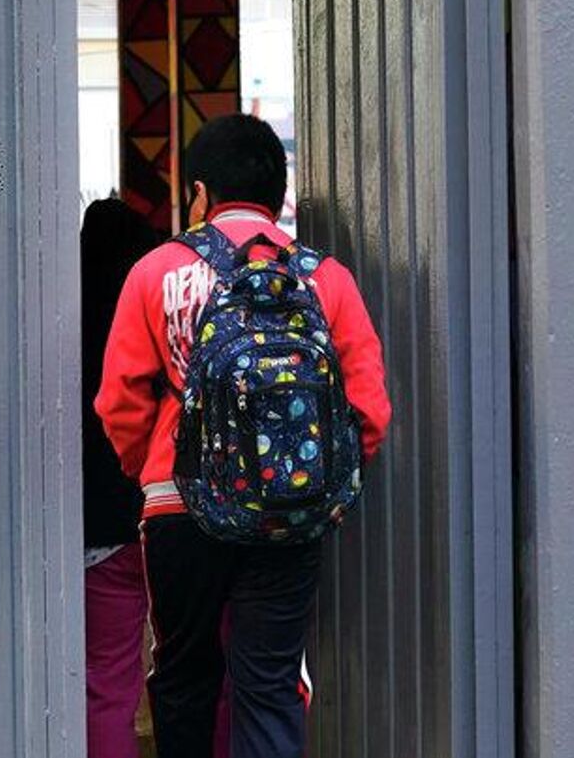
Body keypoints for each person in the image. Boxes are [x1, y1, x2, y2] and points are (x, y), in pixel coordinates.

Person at [95, 115, 391, 758]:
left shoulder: (155, 272)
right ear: (279, 193)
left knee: (183, 676)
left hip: (178, 504)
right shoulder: (325, 278)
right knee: (270, 681)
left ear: (199, 192)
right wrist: (319, 484)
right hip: (290, 510)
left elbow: (118, 401)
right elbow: (369, 409)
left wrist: (149, 471)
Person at [79, 197, 163, 758]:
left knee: (108, 682)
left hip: (99, 532)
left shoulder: (59, 315)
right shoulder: (158, 310)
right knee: (194, 670)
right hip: (169, 514)